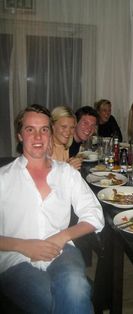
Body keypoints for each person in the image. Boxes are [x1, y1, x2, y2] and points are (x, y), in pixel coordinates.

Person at [0, 104, 104, 313]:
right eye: (30, 129)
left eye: (44, 129)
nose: (38, 137)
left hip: (62, 251)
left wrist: (62, 236)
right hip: (14, 258)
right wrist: (23, 246)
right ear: (20, 135)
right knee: (58, 300)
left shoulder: (67, 173)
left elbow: (95, 216)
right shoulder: (3, 178)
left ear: (50, 133)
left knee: (76, 287)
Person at [50, 105, 82, 170]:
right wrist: (68, 169)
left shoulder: (67, 147)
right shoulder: (44, 149)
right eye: (64, 126)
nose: (68, 132)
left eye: (72, 127)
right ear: (52, 126)